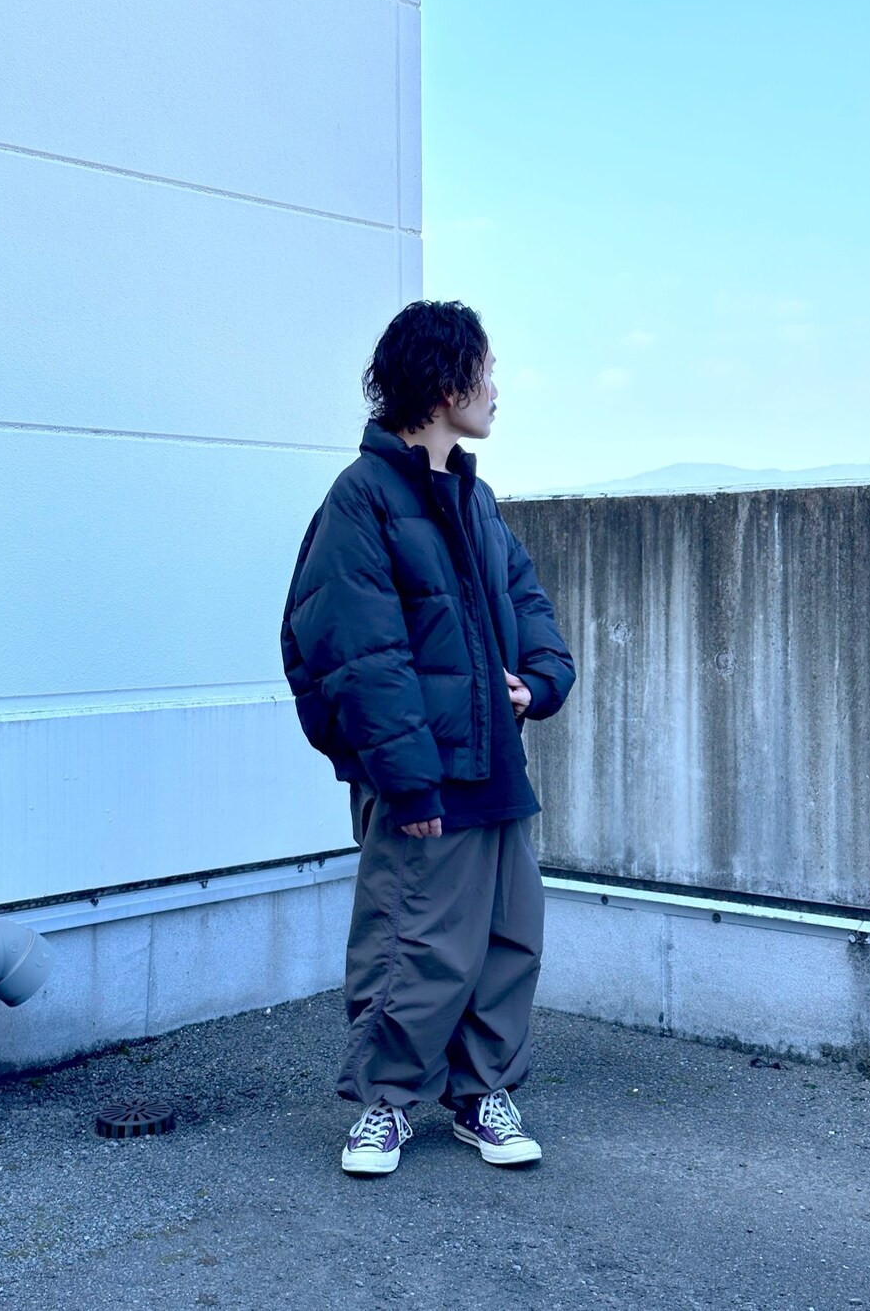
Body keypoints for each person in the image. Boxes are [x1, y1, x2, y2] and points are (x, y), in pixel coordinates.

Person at [281, 300, 575, 1175]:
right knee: (409, 942)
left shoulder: (475, 500)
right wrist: (407, 782)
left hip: (495, 764)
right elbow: (357, 652)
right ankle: (386, 1103)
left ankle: (484, 1095)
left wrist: (541, 682)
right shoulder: (363, 498)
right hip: (425, 775)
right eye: (486, 373)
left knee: (507, 941)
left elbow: (528, 604)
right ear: (446, 383)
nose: (496, 392)